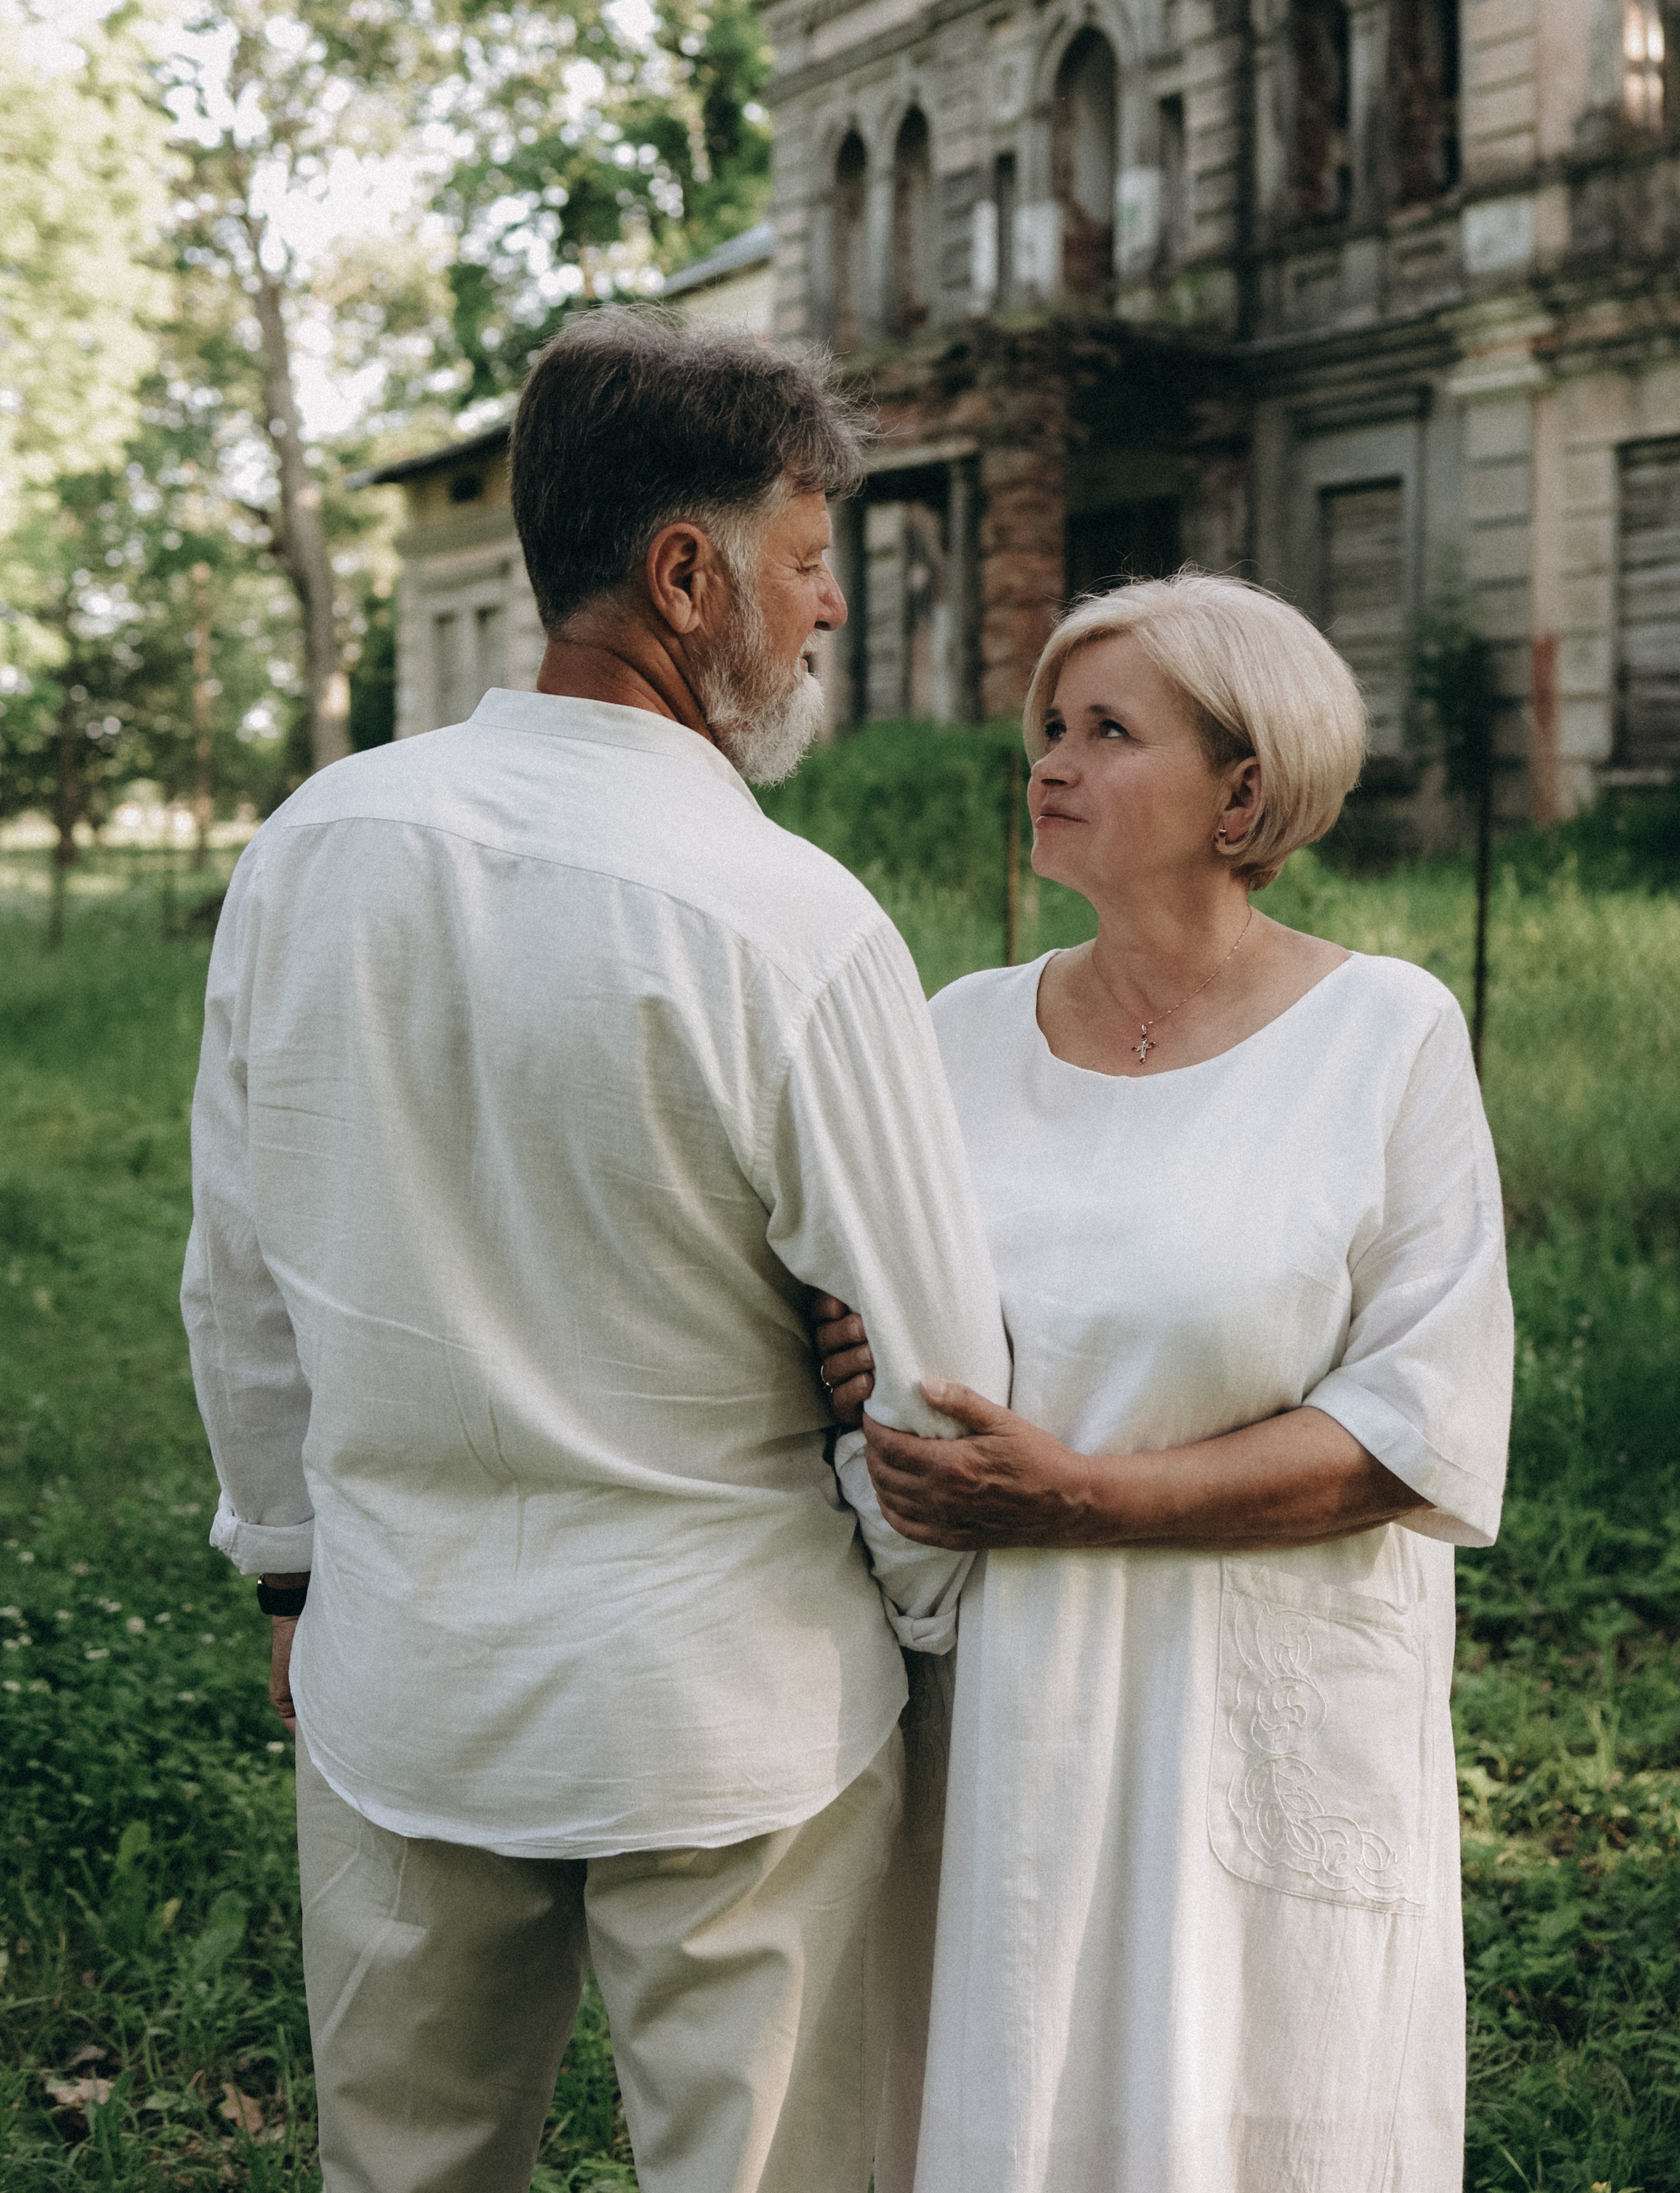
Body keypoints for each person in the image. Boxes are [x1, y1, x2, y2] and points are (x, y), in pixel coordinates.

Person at [181, 313, 1010, 2193]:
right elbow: (939, 1372)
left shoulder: (313, 849)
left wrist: (292, 1575)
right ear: (685, 573)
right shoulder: (787, 922)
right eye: (809, 567)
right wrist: (924, 1623)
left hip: (405, 1670)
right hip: (734, 1712)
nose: (828, 619)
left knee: (403, 2170)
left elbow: (236, 1283)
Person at [816, 572, 1514, 2193]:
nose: (1048, 763)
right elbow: (862, 1318)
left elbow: (1418, 1428)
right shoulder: (957, 1032)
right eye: (1046, 729)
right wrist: (843, 1352)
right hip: (1002, 1709)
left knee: (1256, 2106)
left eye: (1106, 732)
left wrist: (1080, 1499)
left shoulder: (1381, 1036)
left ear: (1244, 790)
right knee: (1003, 2092)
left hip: (1255, 1690)